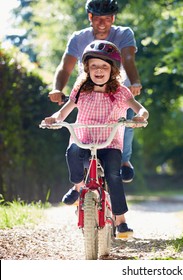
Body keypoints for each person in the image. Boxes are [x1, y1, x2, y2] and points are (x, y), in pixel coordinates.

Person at [42, 40, 149, 236]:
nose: (98, 70)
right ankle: (78, 186)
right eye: (93, 66)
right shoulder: (81, 89)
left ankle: (121, 220)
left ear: (113, 70)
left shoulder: (119, 91)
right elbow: (64, 111)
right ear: (87, 68)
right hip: (83, 140)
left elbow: (139, 108)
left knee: (114, 176)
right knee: (72, 151)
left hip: (110, 144)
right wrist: (54, 119)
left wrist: (141, 116)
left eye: (104, 66)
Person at [48, 0, 140, 183]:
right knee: (80, 129)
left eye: (107, 18)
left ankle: (124, 161)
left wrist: (135, 82)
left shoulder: (124, 34)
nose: (102, 23)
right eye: (98, 18)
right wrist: (57, 88)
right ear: (90, 17)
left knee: (126, 122)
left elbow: (128, 59)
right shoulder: (78, 37)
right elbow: (65, 68)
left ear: (113, 18)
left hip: (116, 92)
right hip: (89, 92)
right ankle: (78, 186)